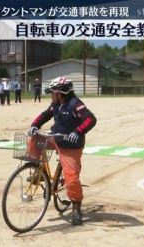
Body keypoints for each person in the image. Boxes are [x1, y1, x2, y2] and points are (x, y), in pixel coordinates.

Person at [28, 77, 97, 225]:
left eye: (52, 93)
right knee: (33, 139)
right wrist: (35, 125)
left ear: (60, 93)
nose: (51, 96)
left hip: (70, 146)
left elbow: (91, 119)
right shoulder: (56, 104)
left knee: (71, 179)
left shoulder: (75, 104)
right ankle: (38, 171)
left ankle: (76, 208)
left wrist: (78, 132)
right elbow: (46, 114)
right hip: (55, 138)